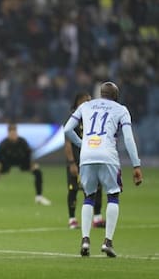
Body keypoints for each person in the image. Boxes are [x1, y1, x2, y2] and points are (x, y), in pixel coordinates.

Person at [64, 81, 143, 258]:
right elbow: (129, 139)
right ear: (116, 96)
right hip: (108, 155)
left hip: (86, 156)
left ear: (101, 94)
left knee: (88, 196)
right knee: (113, 195)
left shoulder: (86, 105)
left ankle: (85, 240)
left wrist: (82, 143)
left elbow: (67, 129)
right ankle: (107, 242)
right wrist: (136, 164)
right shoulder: (121, 109)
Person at [0, 123, 51, 206]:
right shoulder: (4, 144)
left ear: (16, 133)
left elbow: (28, 154)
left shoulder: (22, 142)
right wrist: (0, 166)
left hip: (22, 162)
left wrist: (31, 164)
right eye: (11, 133)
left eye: (14, 133)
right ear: (8, 133)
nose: (13, 135)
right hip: (7, 163)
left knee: (37, 171)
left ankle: (39, 197)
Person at [65, 93, 105, 229]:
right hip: (77, 161)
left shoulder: (94, 119)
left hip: (92, 159)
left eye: (89, 100)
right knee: (73, 189)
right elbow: (68, 143)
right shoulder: (72, 120)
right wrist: (71, 162)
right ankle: (72, 219)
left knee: (96, 187)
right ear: (77, 104)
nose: (88, 103)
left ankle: (97, 218)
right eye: (84, 101)